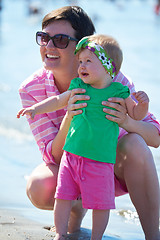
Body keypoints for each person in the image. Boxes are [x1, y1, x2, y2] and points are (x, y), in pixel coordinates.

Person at [18, 6, 160, 240]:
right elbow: (51, 157)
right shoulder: (31, 88)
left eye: (61, 40)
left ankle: (152, 235)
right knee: (39, 186)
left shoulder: (112, 79)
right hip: (71, 165)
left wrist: (127, 121)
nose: (49, 47)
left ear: (84, 45)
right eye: (44, 38)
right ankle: (75, 211)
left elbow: (154, 138)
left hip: (110, 169)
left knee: (135, 144)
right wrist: (69, 117)